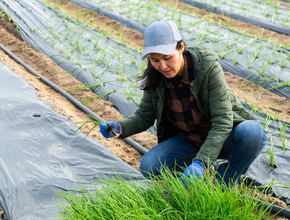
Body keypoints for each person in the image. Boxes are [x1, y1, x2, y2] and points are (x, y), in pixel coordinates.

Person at [100, 20, 266, 186]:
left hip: (223, 137)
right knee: (149, 166)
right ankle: (189, 177)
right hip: (189, 140)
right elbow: (144, 116)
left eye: (167, 58)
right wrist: (119, 128)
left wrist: (201, 163)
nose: (162, 66)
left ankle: (224, 183)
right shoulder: (155, 76)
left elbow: (222, 120)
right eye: (155, 60)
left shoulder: (207, 69)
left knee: (252, 133)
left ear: (181, 48)